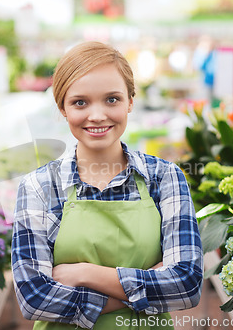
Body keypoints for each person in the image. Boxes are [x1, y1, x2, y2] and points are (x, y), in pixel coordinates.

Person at [11, 41, 203, 330]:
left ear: (130, 101)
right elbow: (34, 297)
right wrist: (147, 286)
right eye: (80, 102)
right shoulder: (39, 186)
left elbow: (186, 284)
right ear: (62, 107)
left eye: (112, 99)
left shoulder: (165, 177)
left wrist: (85, 274)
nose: (97, 115)